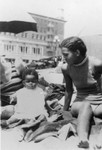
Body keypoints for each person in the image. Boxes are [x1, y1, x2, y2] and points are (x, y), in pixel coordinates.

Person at [60, 36, 102, 148]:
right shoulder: (66, 68)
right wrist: (65, 110)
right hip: (80, 103)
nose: (63, 58)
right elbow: (69, 90)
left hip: (99, 102)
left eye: (66, 54)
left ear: (77, 52)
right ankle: (83, 139)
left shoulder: (96, 64)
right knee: (86, 105)